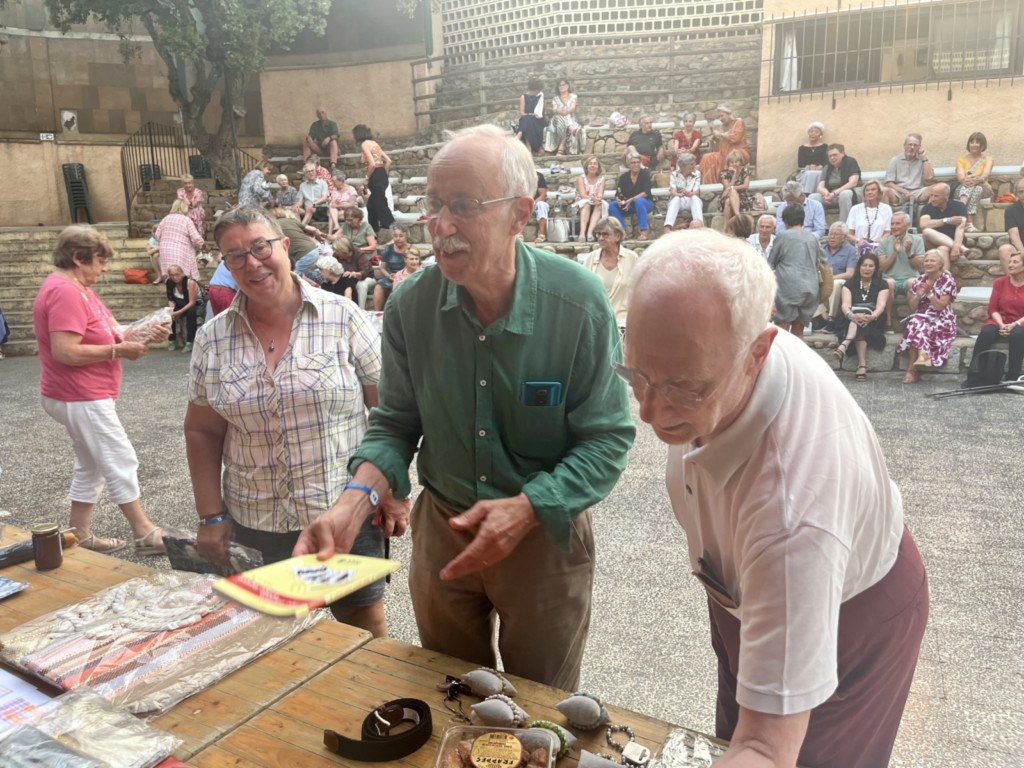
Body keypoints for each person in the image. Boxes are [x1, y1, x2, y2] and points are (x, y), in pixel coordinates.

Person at [292, 124, 635, 690]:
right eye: (432, 205)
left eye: (463, 206)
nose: (441, 225)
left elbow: (607, 439)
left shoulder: (577, 303)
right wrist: (353, 504)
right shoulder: (410, 305)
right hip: (443, 528)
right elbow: (396, 423)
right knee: (452, 692)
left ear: (520, 214)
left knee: (541, 704)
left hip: (543, 538)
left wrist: (529, 506)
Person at [623, 228, 927, 768]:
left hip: (849, 616)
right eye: (637, 375)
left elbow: (767, 749)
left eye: (683, 388)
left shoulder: (793, 515)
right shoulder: (718, 337)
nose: (648, 411)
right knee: (727, 739)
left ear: (757, 352)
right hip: (743, 589)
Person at [185, 206, 400, 639]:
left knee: (362, 630)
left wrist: (392, 491)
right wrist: (210, 516)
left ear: (285, 246)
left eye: (260, 247)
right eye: (236, 255)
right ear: (226, 265)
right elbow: (202, 430)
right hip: (255, 519)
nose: (252, 263)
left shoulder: (343, 317)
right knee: (270, 637)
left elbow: (388, 414)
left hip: (343, 510)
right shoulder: (212, 337)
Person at [33, 224, 168, 555]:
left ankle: (79, 533)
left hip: (78, 393)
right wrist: (118, 351)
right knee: (119, 457)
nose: (105, 268)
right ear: (79, 258)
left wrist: (144, 331)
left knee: (92, 463)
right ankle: (144, 531)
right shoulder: (65, 292)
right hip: (79, 393)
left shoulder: (78, 288)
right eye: (101, 260)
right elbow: (65, 351)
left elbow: (109, 330)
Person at [897, 249, 958, 382]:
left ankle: (912, 370)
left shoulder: (947, 280)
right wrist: (918, 296)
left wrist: (929, 294)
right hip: (922, 316)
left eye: (932, 261)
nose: (929, 263)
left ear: (940, 264)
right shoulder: (919, 280)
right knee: (916, 320)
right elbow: (913, 308)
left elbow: (940, 307)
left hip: (942, 319)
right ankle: (922, 357)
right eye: (926, 261)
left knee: (915, 323)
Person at [968, 252, 1024, 384]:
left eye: (1015, 262)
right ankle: (975, 375)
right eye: (1009, 262)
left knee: (1018, 334)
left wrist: (1014, 324)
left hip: (1021, 322)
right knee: (987, 333)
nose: (1010, 265)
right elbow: (993, 308)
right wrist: (1001, 324)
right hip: (1000, 319)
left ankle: (1012, 377)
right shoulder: (1000, 282)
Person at [834, 252, 890, 381]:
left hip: (874, 318)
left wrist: (872, 316)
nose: (867, 269)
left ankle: (845, 344)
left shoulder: (882, 284)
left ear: (875, 268)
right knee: (859, 320)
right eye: (864, 265)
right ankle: (862, 365)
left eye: (871, 266)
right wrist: (852, 316)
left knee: (862, 319)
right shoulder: (849, 283)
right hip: (851, 316)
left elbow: (881, 305)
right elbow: (845, 305)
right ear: (859, 267)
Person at [769, 203, 820, 338]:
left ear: (785, 220)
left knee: (782, 333)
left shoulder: (783, 236)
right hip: (810, 287)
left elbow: (771, 262)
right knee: (799, 333)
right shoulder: (812, 237)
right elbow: (818, 262)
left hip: (787, 287)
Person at [581, 217, 638, 328]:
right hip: (596, 324)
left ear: (618, 236)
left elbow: (639, 293)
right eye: (598, 234)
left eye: (605, 234)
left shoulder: (632, 259)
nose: (600, 238)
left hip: (623, 324)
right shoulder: (590, 259)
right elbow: (583, 293)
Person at [879, 211, 925, 326]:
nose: (894, 227)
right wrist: (894, 253)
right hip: (890, 278)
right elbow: (882, 268)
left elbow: (920, 266)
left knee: (912, 282)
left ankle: (915, 321)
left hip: (910, 277)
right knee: (889, 283)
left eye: (898, 223)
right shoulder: (884, 242)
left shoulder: (917, 240)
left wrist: (909, 253)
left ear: (907, 225)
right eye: (892, 224)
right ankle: (887, 319)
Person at [353, 124, 396, 233]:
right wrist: (382, 173)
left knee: (380, 204)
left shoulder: (364, 144)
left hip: (375, 174)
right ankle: (373, 231)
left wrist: (367, 178)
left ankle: (392, 227)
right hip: (381, 173)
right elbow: (388, 161)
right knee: (371, 205)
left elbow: (372, 164)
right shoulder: (374, 143)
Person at [155, 200, 206, 281]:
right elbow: (196, 237)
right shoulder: (186, 220)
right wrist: (204, 245)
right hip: (180, 250)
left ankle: (171, 288)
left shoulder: (165, 218)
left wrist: (167, 240)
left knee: (170, 274)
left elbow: (157, 235)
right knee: (181, 274)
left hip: (165, 250)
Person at [820, 222, 859, 326]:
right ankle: (822, 314)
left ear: (844, 238)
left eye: (836, 234)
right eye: (830, 234)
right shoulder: (821, 249)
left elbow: (850, 274)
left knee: (836, 283)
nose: (832, 237)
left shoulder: (850, 250)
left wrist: (831, 278)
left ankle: (832, 318)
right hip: (822, 279)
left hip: (840, 280)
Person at [698, 104, 749, 184]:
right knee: (707, 157)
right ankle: (711, 185)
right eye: (719, 117)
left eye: (722, 116)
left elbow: (736, 138)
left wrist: (721, 135)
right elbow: (719, 147)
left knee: (730, 157)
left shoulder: (739, 122)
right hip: (724, 153)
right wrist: (715, 139)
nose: (720, 118)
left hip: (738, 152)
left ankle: (727, 182)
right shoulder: (721, 126)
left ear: (729, 114)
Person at [810, 143, 861, 223]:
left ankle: (844, 225)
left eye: (835, 155)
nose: (832, 158)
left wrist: (834, 193)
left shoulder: (850, 162)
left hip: (851, 193)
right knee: (813, 197)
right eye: (830, 156)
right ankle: (820, 226)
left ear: (842, 153)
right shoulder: (827, 167)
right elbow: (820, 187)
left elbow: (853, 183)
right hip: (833, 196)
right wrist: (826, 193)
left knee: (845, 194)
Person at [882, 133, 936, 208]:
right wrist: (905, 191)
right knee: (884, 191)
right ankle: (886, 214)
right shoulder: (895, 160)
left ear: (919, 147)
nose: (912, 147)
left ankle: (927, 213)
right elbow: (888, 183)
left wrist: (924, 159)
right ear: (904, 145)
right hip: (899, 193)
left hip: (917, 192)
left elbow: (929, 178)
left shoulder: (923, 160)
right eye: (910, 144)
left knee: (940, 188)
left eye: (915, 145)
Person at [919, 183, 968, 264]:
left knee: (943, 249)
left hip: (956, 241)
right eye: (931, 195)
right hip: (933, 243)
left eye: (936, 196)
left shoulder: (959, 206)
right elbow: (923, 225)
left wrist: (956, 247)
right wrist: (947, 221)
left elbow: (961, 227)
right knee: (926, 231)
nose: (932, 199)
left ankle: (944, 273)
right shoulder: (927, 208)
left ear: (946, 196)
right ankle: (963, 249)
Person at [954, 132, 994, 233]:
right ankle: (969, 223)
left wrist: (977, 179)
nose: (974, 145)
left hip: (984, 187)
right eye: (971, 142)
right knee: (972, 187)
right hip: (964, 186)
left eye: (977, 142)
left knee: (978, 188)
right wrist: (966, 180)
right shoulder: (961, 160)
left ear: (982, 144)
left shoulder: (988, 159)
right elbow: (960, 176)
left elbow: (985, 175)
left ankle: (961, 212)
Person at [610, 153, 654, 240]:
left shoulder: (645, 174)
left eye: (638, 162)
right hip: (629, 205)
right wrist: (619, 200)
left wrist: (632, 199)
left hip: (645, 203)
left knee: (639, 201)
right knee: (612, 205)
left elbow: (646, 192)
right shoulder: (624, 177)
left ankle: (644, 231)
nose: (636, 164)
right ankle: (622, 231)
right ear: (628, 164)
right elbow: (618, 193)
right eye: (633, 162)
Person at [322, 236, 371, 303]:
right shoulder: (336, 256)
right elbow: (333, 268)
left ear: (343, 250)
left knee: (361, 285)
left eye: (337, 251)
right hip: (347, 278)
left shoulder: (358, 254)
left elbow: (365, 272)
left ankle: (360, 307)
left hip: (364, 278)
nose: (336, 252)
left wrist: (354, 274)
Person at [720, 150, 760, 232]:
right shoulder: (724, 173)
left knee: (728, 200)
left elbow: (745, 186)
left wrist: (732, 188)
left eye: (736, 162)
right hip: (727, 196)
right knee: (729, 196)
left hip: (743, 198)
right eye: (731, 162)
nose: (734, 164)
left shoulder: (744, 171)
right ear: (728, 163)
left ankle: (725, 228)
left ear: (740, 162)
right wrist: (734, 176)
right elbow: (727, 187)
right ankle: (738, 216)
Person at [374, 223, 411, 310]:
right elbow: (382, 268)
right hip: (390, 277)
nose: (398, 238)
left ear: (406, 236)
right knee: (379, 286)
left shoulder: (411, 249)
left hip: (405, 278)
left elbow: (414, 267)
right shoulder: (389, 249)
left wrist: (401, 276)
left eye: (401, 236)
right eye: (395, 236)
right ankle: (377, 313)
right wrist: (388, 275)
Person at [846, 180, 892, 249]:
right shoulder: (855, 209)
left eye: (873, 190)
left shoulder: (886, 209)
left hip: (879, 248)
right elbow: (849, 234)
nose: (870, 192)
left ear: (879, 192)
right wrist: (858, 240)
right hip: (859, 248)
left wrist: (879, 242)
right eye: (867, 190)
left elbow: (888, 232)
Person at [166, 264, 202, 353]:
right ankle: (172, 339)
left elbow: (192, 302)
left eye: (177, 274)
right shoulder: (169, 282)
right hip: (180, 302)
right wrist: (171, 311)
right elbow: (171, 299)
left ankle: (189, 341)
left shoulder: (190, 282)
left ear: (182, 273)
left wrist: (178, 313)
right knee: (168, 315)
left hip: (194, 303)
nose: (175, 277)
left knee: (191, 312)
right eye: (172, 275)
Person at [664, 152, 703, 232]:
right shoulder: (674, 174)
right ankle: (668, 227)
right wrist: (679, 194)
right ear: (684, 166)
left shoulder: (697, 173)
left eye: (694, 163)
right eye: (691, 164)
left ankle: (699, 225)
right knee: (676, 198)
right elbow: (673, 192)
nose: (694, 166)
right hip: (679, 201)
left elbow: (697, 191)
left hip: (691, 200)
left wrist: (691, 193)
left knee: (695, 198)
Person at [574, 156, 607, 243]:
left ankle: (589, 233)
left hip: (595, 201)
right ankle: (582, 233)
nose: (592, 166)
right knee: (587, 204)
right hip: (582, 201)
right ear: (587, 166)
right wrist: (592, 198)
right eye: (590, 164)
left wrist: (597, 198)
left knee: (599, 204)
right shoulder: (581, 178)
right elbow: (583, 195)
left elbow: (600, 194)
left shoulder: (602, 179)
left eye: (595, 164)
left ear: (598, 167)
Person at [545, 79, 580, 156]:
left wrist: (566, 111)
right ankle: (571, 129)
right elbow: (555, 109)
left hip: (571, 118)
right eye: (560, 85)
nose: (562, 86)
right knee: (561, 118)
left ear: (568, 85)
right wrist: (561, 111)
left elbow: (573, 108)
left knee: (565, 117)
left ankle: (561, 148)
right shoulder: (555, 98)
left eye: (563, 84)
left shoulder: (573, 96)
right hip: (557, 119)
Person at [997, 178, 1024, 271]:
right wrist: (1022, 253)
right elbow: (1014, 236)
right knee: (1004, 249)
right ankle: (1012, 280)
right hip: (1019, 250)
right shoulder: (1011, 210)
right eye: (1021, 192)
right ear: (1017, 194)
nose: (1023, 195)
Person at [794, 121, 827, 192]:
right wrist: (809, 167)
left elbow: (826, 162)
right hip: (805, 171)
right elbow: (800, 163)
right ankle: (806, 193)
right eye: (811, 131)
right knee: (809, 173)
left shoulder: (825, 147)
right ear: (808, 133)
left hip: (820, 171)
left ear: (820, 135)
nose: (813, 134)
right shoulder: (802, 148)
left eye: (816, 132)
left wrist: (818, 167)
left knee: (817, 174)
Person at [515, 79, 545, 154]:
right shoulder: (523, 97)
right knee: (528, 119)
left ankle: (519, 135)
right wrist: (530, 115)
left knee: (528, 120)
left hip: (537, 121)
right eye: (537, 90)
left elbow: (540, 113)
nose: (538, 92)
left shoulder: (540, 96)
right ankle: (529, 147)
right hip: (526, 119)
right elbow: (522, 113)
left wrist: (532, 115)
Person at [532, 171, 549, 243]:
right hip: (523, 202)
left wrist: (532, 203)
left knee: (542, 205)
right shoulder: (518, 175)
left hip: (536, 203)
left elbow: (543, 195)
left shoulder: (538, 176)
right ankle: (519, 235)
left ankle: (542, 234)